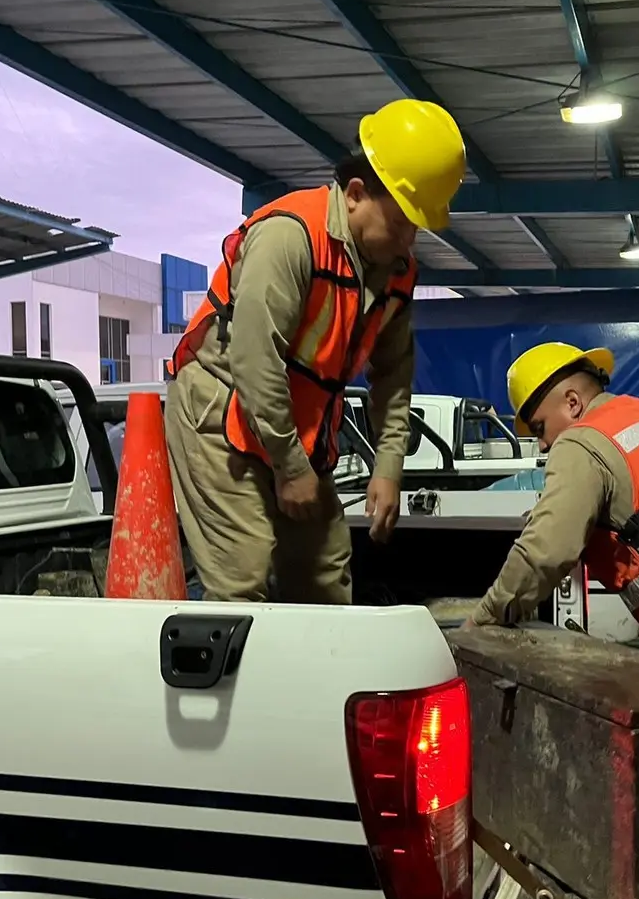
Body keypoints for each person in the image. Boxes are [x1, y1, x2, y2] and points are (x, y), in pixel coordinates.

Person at [164, 99, 467, 603]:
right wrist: (290, 467)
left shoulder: (394, 272)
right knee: (244, 575)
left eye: (418, 227)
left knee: (325, 573)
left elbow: (393, 376)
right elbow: (256, 360)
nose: (408, 241)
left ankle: (323, 682)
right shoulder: (291, 235)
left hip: (298, 428)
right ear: (354, 194)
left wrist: (389, 467)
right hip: (221, 413)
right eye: (400, 223)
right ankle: (247, 679)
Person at [462, 341, 639, 673]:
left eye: (541, 428)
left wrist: (482, 622)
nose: (542, 444)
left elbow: (544, 552)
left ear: (573, 403)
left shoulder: (581, 441)